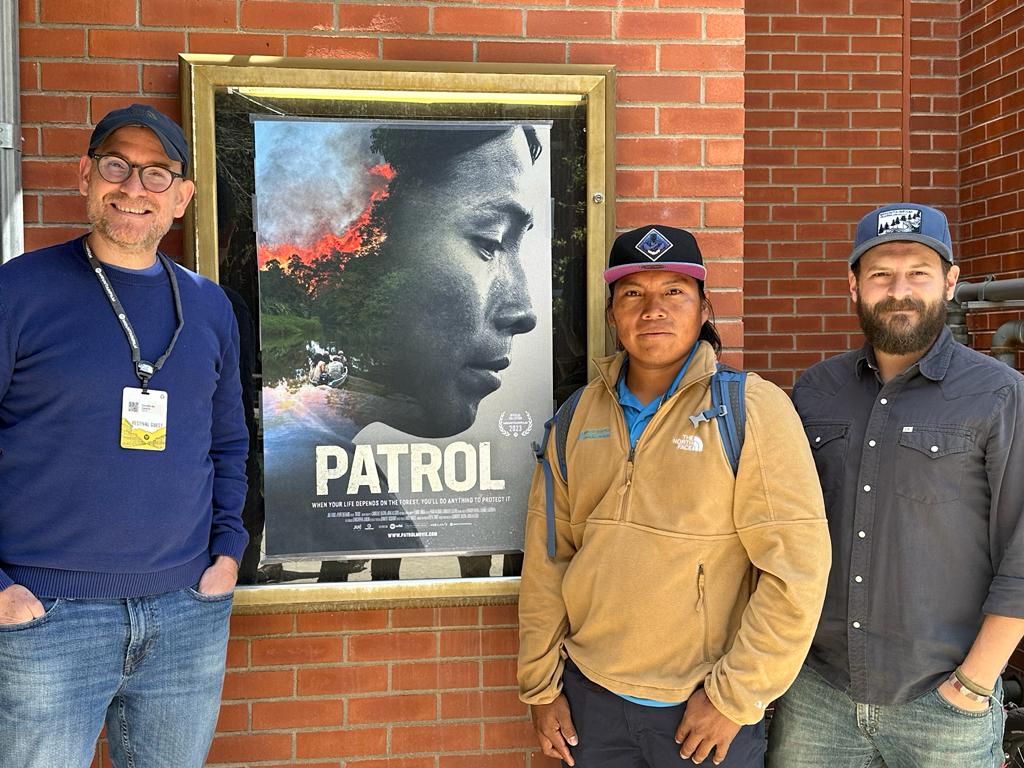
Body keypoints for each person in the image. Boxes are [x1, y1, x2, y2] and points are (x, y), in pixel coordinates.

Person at [517, 225, 832, 767]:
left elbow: (797, 570)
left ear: (705, 308)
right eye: (633, 294)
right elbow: (550, 561)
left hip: (700, 710)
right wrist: (541, 690)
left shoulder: (752, 409)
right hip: (590, 701)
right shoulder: (574, 418)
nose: (652, 309)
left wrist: (736, 698)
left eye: (674, 292)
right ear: (613, 315)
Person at [0, 104, 248, 767]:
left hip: (186, 613)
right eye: (117, 165)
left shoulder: (208, 305)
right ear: (85, 174)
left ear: (182, 197)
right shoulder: (17, 293)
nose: (134, 188)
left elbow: (227, 443)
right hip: (46, 616)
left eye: (157, 174)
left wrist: (227, 553)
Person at [767, 203, 1024, 767]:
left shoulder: (1001, 394)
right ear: (853, 286)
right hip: (816, 695)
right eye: (881, 274)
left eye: (918, 274)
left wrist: (975, 685)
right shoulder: (814, 392)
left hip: (944, 702)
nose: (899, 290)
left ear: (950, 283)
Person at [259, 123, 546, 573]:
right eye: (490, 241)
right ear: (369, 244)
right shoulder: (304, 474)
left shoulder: (296, 450)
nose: (523, 310)